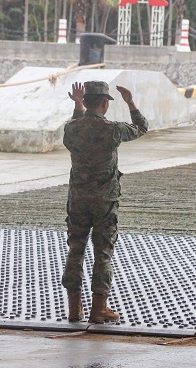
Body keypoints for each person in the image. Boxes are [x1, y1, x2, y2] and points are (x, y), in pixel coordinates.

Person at [62, 80, 148, 323]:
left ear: (85, 101)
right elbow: (141, 127)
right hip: (104, 201)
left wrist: (78, 105)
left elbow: (77, 124)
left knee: (75, 251)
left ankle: (74, 308)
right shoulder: (112, 129)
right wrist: (130, 102)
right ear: (104, 103)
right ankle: (98, 309)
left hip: (77, 200)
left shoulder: (71, 129)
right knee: (102, 254)